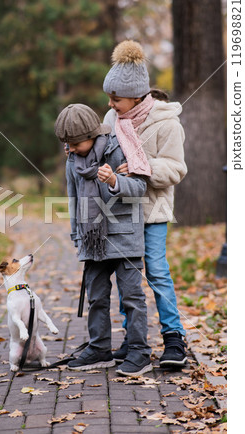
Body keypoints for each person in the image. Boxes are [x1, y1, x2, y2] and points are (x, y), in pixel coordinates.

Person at [102, 40, 188, 368]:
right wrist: (78, 149)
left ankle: (174, 338)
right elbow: (100, 148)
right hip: (122, 210)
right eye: (109, 97)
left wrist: (144, 167)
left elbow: (177, 168)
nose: (110, 103)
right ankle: (133, 337)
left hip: (152, 212)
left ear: (137, 96)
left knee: (157, 271)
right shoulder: (112, 119)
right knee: (127, 275)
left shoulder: (166, 123)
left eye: (116, 98)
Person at [54, 103, 152, 377]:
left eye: (74, 143)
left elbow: (141, 189)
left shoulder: (121, 147)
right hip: (92, 238)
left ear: (91, 134)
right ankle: (99, 349)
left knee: (132, 297)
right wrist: (77, 237)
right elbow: (73, 199)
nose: (71, 149)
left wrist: (114, 181)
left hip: (124, 237)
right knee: (96, 298)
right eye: (67, 144)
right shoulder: (72, 161)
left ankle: (139, 353)